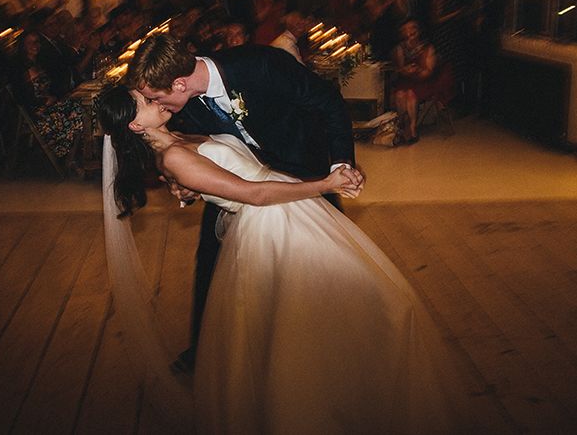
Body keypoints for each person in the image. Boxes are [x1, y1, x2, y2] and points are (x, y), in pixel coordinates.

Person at [96, 84, 467, 434]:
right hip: (273, 225)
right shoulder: (173, 155)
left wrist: (193, 189)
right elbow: (253, 195)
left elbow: (222, 173)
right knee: (368, 305)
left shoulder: (181, 139)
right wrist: (325, 184)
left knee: (335, 312)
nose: (154, 99)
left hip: (291, 209)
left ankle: (351, 399)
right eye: (144, 101)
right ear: (134, 124)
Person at [127, 33, 359, 371]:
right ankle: (207, 345)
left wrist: (340, 164)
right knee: (211, 257)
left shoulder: (260, 65)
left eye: (156, 97)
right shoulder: (180, 104)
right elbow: (194, 159)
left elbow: (329, 102)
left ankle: (340, 333)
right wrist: (189, 190)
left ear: (178, 83)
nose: (158, 106)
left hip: (303, 171)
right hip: (242, 187)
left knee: (333, 258)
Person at [10, 30, 84, 164]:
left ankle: (77, 154)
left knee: (81, 107)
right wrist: (44, 101)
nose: (35, 45)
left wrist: (58, 96)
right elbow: (21, 96)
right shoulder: (18, 68)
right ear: (23, 45)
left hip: (52, 104)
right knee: (75, 113)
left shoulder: (41, 62)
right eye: (30, 42)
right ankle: (69, 156)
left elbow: (53, 86)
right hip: (37, 112)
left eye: (37, 42)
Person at [392, 19, 454, 143]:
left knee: (410, 94)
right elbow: (399, 68)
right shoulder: (400, 48)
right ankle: (404, 125)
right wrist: (405, 70)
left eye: (412, 28)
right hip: (406, 80)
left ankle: (412, 128)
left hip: (424, 81)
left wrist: (417, 71)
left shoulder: (428, 48)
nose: (410, 32)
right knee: (399, 94)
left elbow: (429, 71)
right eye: (406, 29)